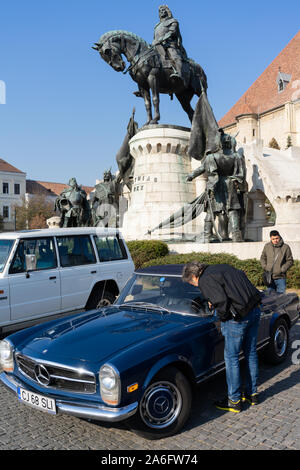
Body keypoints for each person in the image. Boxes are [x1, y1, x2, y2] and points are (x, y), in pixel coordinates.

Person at [182, 261, 262, 413]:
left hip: (237, 319)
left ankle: (234, 400)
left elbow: (222, 302)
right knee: (250, 352)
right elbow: (233, 287)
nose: (195, 286)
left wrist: (223, 317)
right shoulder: (222, 267)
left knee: (232, 359)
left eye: (192, 283)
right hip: (254, 309)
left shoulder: (205, 279)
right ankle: (253, 394)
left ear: (193, 276)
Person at [152, 5, 188, 87]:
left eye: (163, 10)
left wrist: (162, 39)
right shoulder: (157, 26)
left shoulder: (173, 21)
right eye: (159, 11)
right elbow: (154, 37)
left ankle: (179, 76)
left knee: (175, 57)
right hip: (158, 46)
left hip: (170, 45)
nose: (161, 12)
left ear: (167, 11)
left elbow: (172, 32)